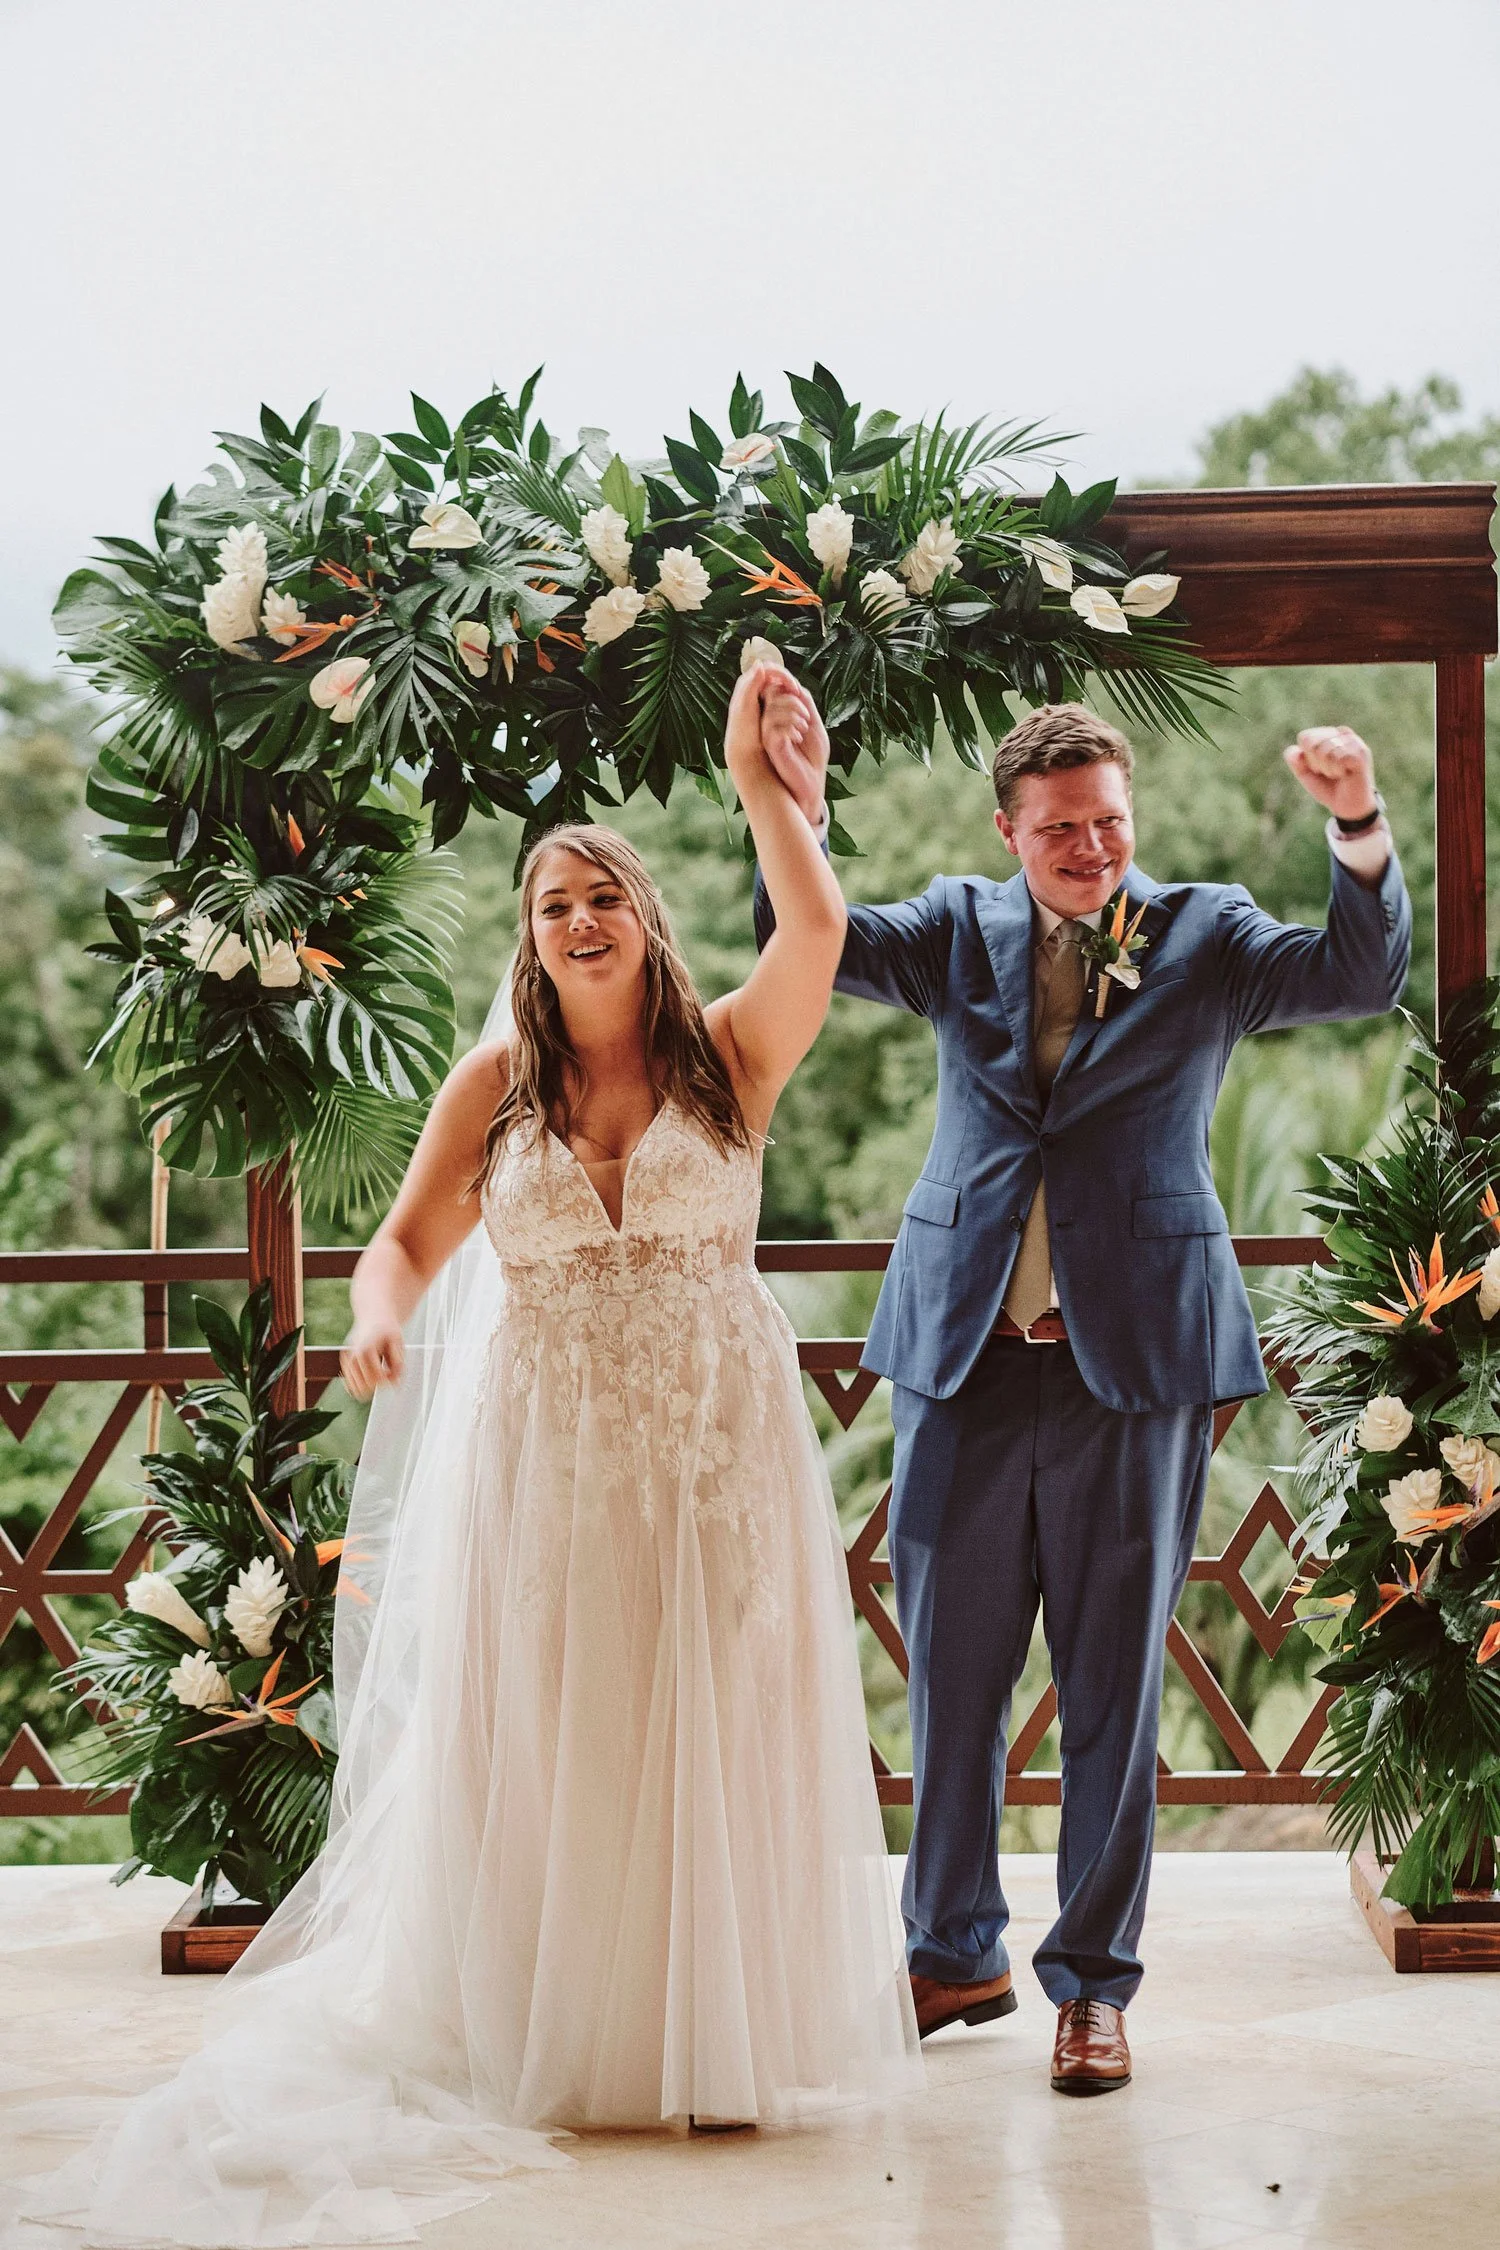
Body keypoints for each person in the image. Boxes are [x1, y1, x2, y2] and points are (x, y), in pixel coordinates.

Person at [10, 664, 919, 2249]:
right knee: (559, 1713)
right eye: (554, 902)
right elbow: (402, 1247)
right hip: (547, 1445)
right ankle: (557, 2030)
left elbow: (819, 931)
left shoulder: (728, 1055)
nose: (580, 918)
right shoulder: (493, 1087)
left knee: (712, 1707)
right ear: (531, 938)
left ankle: (708, 2037)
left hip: (713, 1441)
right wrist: (373, 1321)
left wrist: (765, 786)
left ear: (645, 917)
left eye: (603, 895)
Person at [754, 701, 1410, 2096]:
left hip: (1140, 1362)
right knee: (953, 1677)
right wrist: (796, 806)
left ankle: (1095, 1987)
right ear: (1009, 830)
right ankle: (951, 1952)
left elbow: (1358, 976)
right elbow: (808, 937)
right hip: (965, 1356)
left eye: (1109, 820)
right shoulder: (952, 927)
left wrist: (1355, 821)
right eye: (1060, 827)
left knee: (1111, 1682)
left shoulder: (1206, 934)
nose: (1091, 847)